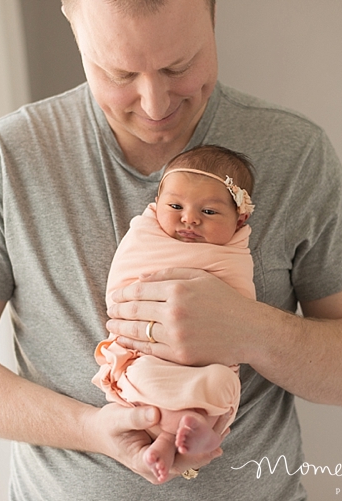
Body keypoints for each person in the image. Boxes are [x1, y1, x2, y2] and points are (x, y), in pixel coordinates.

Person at [0, 0, 342, 499]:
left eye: (179, 67)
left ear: (214, 14)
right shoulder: (11, 156)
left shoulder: (294, 151)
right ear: (71, 20)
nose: (155, 104)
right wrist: (91, 430)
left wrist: (250, 331)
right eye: (118, 73)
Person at [92, 145, 256, 482]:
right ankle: (178, 435)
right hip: (149, 356)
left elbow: (241, 312)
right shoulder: (146, 234)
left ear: (240, 219)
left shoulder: (235, 253)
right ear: (157, 205)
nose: (190, 218)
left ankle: (175, 438)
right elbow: (122, 288)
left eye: (209, 211)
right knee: (146, 375)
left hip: (207, 362)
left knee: (222, 382)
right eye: (176, 206)